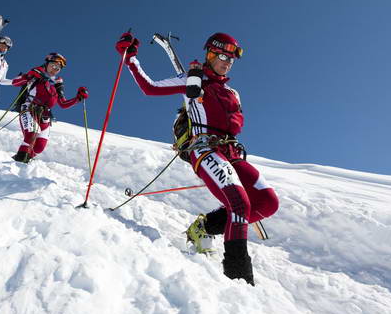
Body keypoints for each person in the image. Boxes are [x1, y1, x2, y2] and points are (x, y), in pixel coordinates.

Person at [117, 32, 279, 285]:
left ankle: (204, 228)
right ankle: (239, 279)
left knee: (267, 203)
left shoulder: (233, 92)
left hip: (232, 152)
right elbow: (149, 88)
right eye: (223, 55)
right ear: (211, 54)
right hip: (205, 149)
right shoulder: (193, 79)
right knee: (240, 205)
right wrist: (131, 58)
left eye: (232, 58)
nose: (227, 61)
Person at [6, 52, 88, 163]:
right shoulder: (36, 72)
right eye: (53, 65)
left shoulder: (57, 83)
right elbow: (15, 82)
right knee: (31, 135)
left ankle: (23, 160)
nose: (55, 69)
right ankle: (20, 160)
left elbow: (63, 104)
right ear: (47, 63)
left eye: (58, 68)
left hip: (45, 116)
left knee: (39, 147)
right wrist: (28, 76)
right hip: (29, 108)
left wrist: (78, 98)